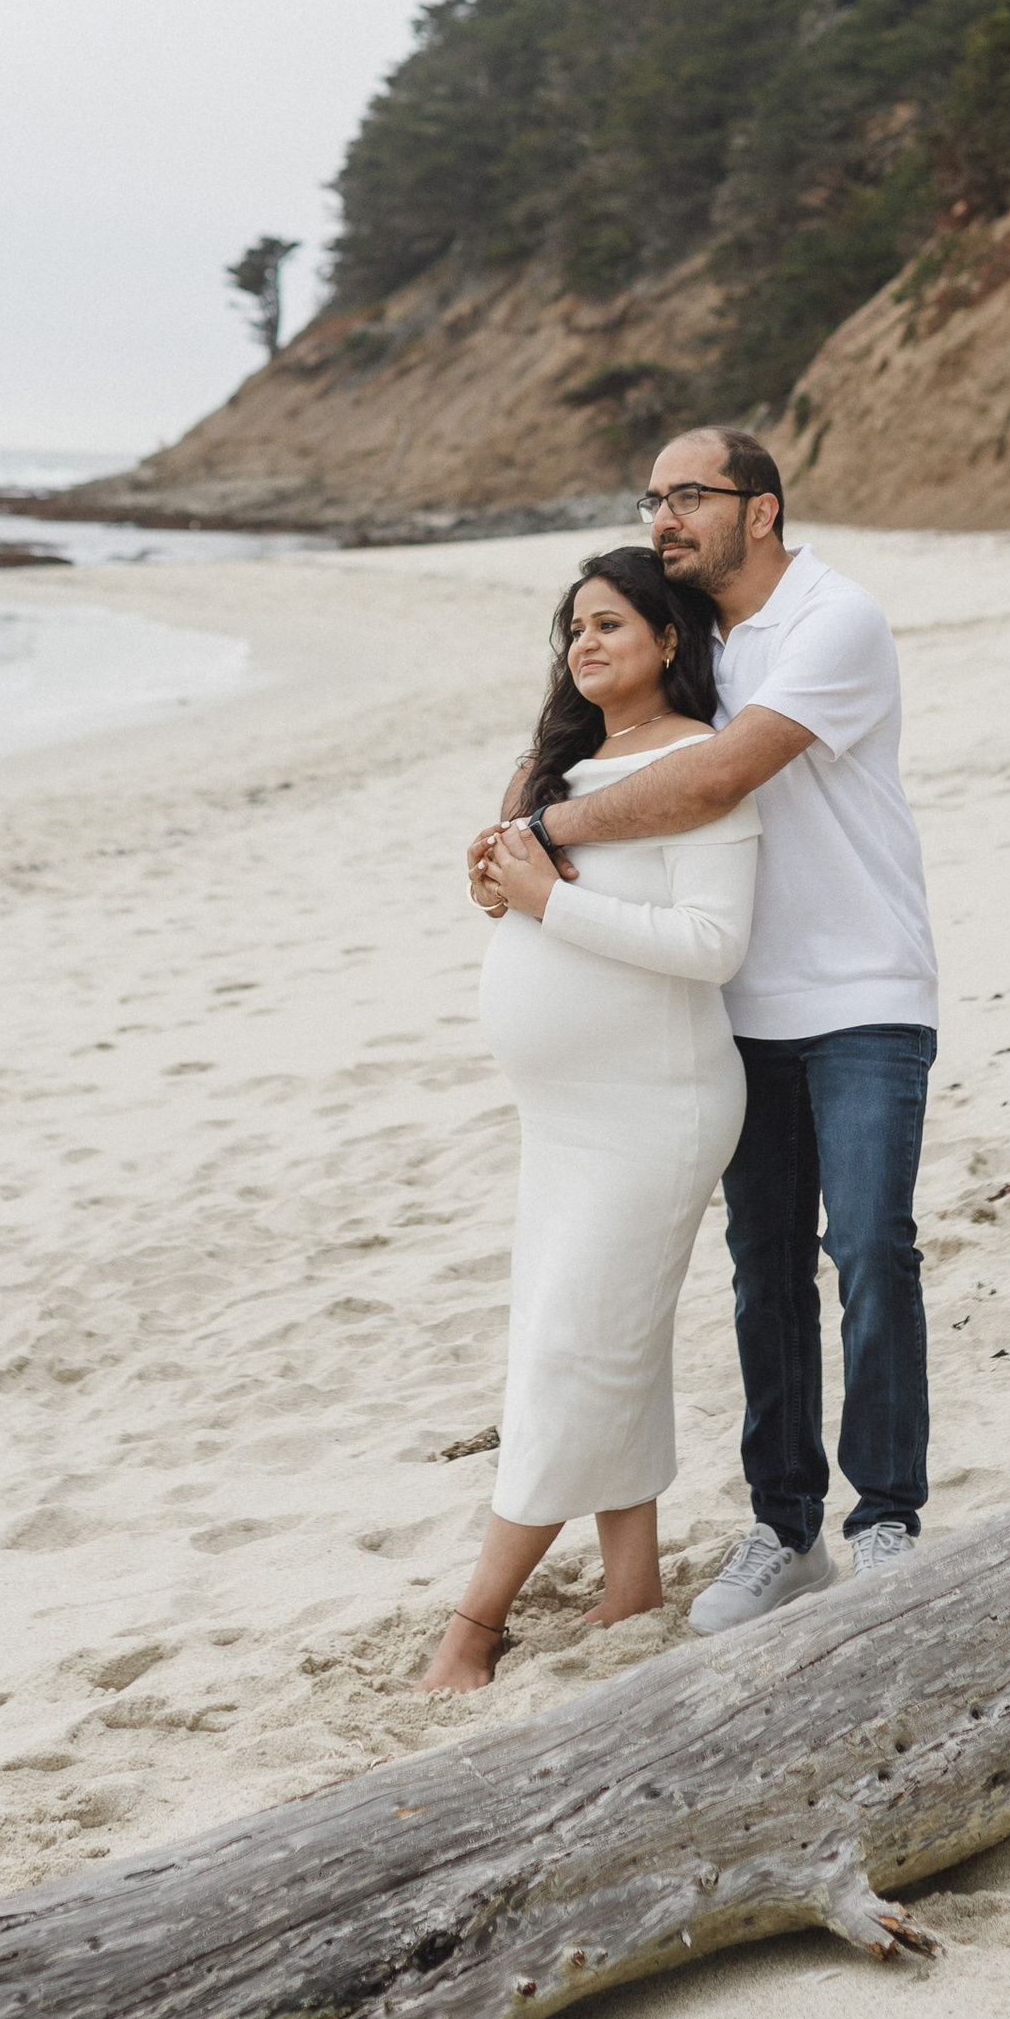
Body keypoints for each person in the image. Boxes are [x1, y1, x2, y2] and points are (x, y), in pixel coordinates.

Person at [467, 428, 936, 1632]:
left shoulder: (835, 620)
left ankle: (885, 1518)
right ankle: (785, 1530)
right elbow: (597, 720)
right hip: (734, 1019)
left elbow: (717, 779)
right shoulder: (699, 642)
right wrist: (517, 815)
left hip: (860, 990)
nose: (665, 516)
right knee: (761, 1272)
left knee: (870, 1246)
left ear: (761, 510)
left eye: (689, 497)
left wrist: (546, 853)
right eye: (655, 498)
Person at [421, 546, 760, 1695]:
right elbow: (530, 909)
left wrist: (548, 902)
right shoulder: (562, 767)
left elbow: (715, 948)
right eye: (574, 629)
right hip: (563, 1113)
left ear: (670, 639)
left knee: (573, 1349)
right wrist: (497, 887)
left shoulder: (704, 766)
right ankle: (631, 1588)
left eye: (612, 622)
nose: (587, 644)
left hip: (655, 1108)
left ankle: (473, 1625)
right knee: (601, 1340)